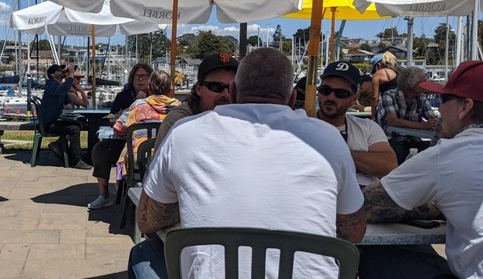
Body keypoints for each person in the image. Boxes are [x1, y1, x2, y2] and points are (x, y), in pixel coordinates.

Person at [129, 48, 365, 278]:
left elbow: (147, 220)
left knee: (142, 254)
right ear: (292, 98)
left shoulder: (185, 133)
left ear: (232, 92)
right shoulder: (329, 139)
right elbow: (354, 232)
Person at [360, 60, 483, 279]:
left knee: (376, 254)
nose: (440, 108)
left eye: (444, 99)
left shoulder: (447, 155)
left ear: (466, 107)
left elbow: (366, 206)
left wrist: (432, 206)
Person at [88, 70, 179, 209]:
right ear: (170, 89)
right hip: (171, 161)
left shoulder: (138, 106)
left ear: (150, 86)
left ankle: (109, 195)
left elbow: (119, 128)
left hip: (140, 162)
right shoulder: (180, 109)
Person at [316, 61, 397, 187]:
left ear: (353, 99)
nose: (331, 97)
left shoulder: (368, 127)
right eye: (325, 90)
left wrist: (340, 152)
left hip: (364, 194)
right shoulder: (301, 127)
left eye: (340, 93)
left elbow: (388, 165)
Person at [154, 52, 238, 149]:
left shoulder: (242, 122)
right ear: (199, 89)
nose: (226, 94)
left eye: (232, 88)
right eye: (216, 87)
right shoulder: (178, 122)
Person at [375, 66, 438, 163]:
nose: (426, 85)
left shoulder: (421, 98)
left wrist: (433, 121)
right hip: (392, 139)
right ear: (411, 84)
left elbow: (431, 117)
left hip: (413, 140)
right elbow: (393, 120)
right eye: (423, 83)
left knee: (433, 149)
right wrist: (423, 126)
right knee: (399, 152)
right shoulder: (389, 96)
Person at [40, 64, 91, 170]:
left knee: (79, 122)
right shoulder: (52, 85)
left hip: (55, 120)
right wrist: (71, 74)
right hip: (49, 123)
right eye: (59, 70)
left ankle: (59, 145)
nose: (62, 72)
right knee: (75, 129)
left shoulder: (58, 86)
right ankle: (76, 160)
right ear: (52, 75)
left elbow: (70, 101)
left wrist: (69, 105)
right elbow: (63, 90)